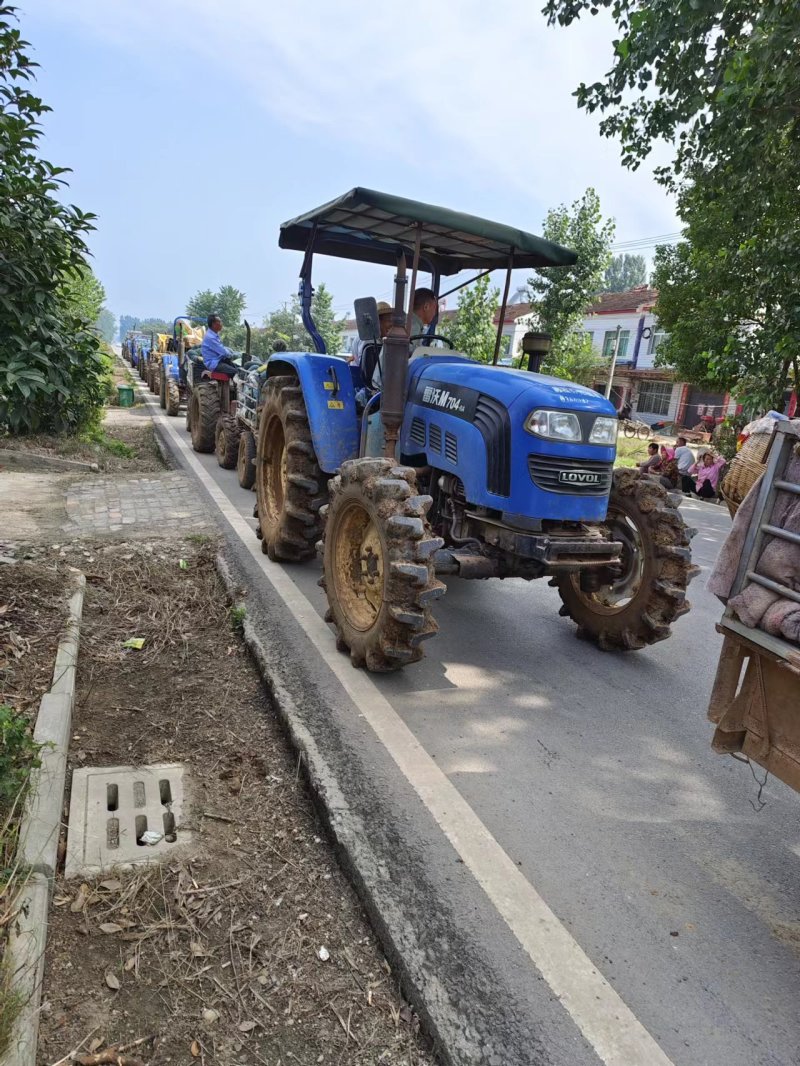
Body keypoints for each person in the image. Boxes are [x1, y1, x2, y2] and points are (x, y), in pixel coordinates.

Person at [352, 301, 392, 367]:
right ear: (378, 321)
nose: (391, 325)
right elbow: (367, 366)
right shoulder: (369, 338)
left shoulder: (378, 338)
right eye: (388, 320)